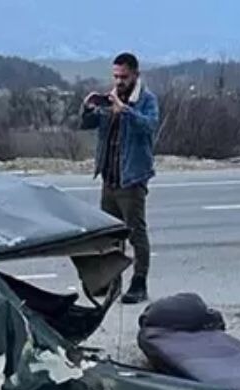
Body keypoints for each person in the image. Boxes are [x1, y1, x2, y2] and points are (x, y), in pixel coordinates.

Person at [81, 52, 159, 304]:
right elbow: (89, 125)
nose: (119, 81)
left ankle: (139, 283)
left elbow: (149, 126)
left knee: (135, 232)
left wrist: (124, 111)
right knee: (110, 236)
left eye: (123, 76)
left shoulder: (146, 100)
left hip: (132, 178)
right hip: (110, 176)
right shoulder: (110, 97)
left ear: (135, 74)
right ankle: (112, 283)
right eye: (115, 76)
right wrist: (89, 108)